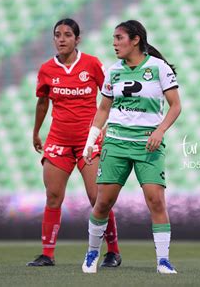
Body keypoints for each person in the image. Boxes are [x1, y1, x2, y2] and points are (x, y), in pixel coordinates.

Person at [80, 20, 181, 274]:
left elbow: (176, 106)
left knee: (156, 201)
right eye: (113, 38)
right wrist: (91, 142)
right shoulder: (113, 71)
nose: (114, 43)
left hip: (148, 144)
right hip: (116, 143)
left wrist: (160, 131)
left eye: (119, 38)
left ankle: (163, 261)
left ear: (135, 40)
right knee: (103, 203)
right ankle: (92, 253)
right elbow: (103, 109)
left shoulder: (158, 68)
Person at [27, 19, 121, 267]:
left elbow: (110, 95)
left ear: (77, 39)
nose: (61, 39)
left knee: (97, 198)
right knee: (53, 196)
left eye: (67, 35)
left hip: (87, 141)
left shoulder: (91, 64)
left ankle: (113, 251)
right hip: (58, 140)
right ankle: (47, 254)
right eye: (57, 34)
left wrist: (108, 126)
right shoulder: (47, 69)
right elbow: (42, 103)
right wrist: (36, 132)